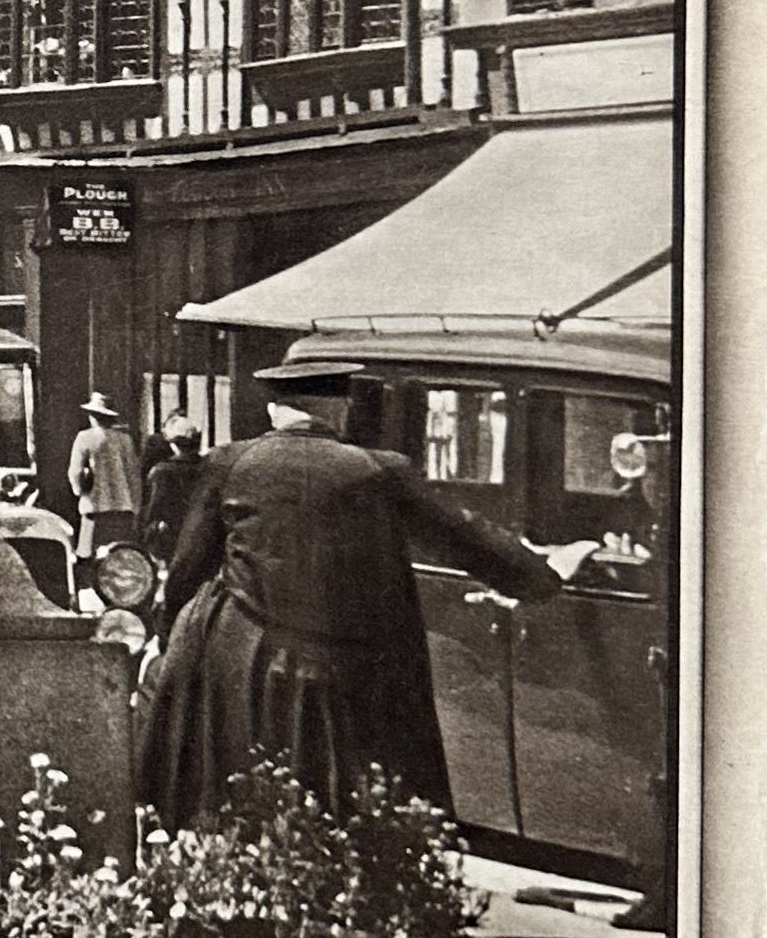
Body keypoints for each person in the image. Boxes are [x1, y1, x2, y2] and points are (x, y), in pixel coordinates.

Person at [138, 349, 566, 827]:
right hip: (340, 668)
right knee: (342, 807)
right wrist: (541, 575)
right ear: (339, 411)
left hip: (242, 662)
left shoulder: (230, 463)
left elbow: (188, 567)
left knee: (236, 800)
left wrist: (167, 630)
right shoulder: (378, 470)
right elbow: (463, 537)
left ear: (274, 411)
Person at [67, 388, 143, 576]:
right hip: (122, 510)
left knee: (90, 562)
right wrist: (136, 506)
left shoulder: (84, 439)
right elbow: (134, 475)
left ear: (93, 416)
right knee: (120, 560)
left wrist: (79, 491)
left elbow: (75, 473)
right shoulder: (125, 440)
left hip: (95, 508)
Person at [141, 417, 207, 564]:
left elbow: (153, 510)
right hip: (205, 535)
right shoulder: (210, 468)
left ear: (173, 444)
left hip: (173, 538)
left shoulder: (162, 472)